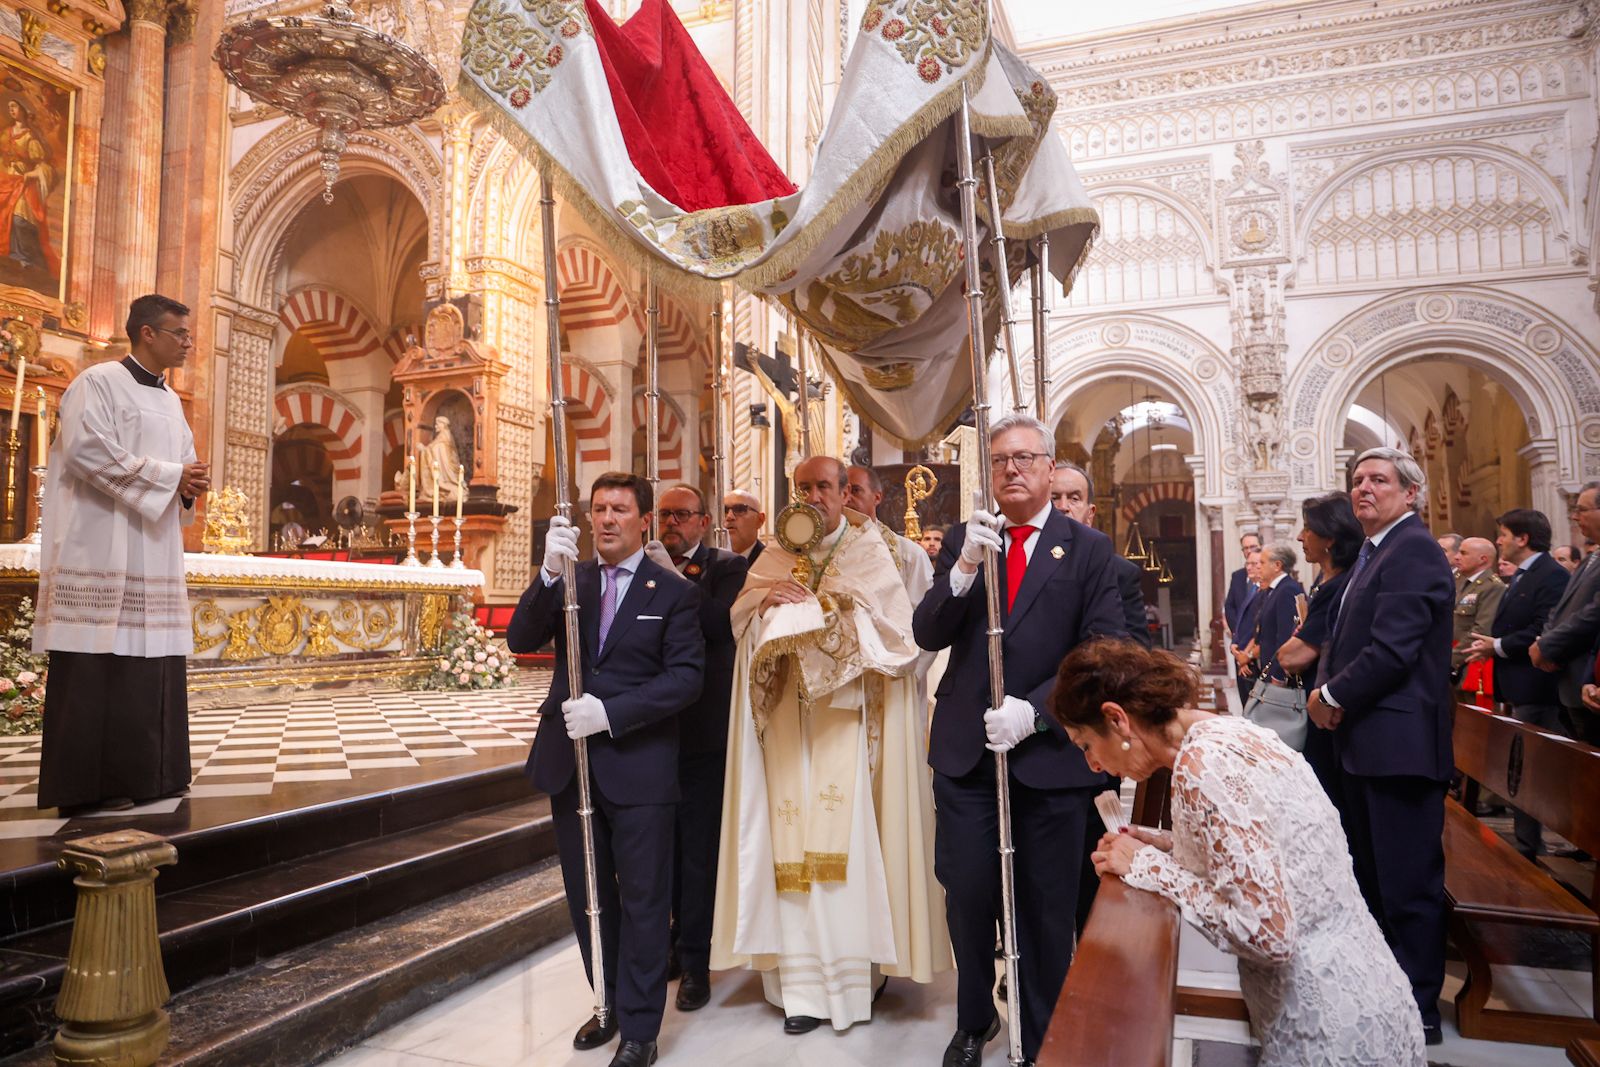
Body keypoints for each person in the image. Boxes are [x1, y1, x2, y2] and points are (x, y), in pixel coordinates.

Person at [1054, 641, 1426, 1067]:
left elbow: (1268, 934)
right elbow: (1261, 849)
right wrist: (1161, 842)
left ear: (1116, 718)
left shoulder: (1202, 767)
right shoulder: (1228, 732)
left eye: (1085, 744)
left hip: (1327, 1025)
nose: (1092, 765)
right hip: (1367, 985)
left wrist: (1146, 866)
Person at [912, 414, 1126, 1066]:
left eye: (1025, 457)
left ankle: (1040, 1032)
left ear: (1048, 466)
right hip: (966, 754)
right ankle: (975, 1019)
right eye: (1000, 459)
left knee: (1043, 905)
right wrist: (963, 569)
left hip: (1048, 757)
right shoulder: (965, 539)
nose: (1011, 468)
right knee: (968, 893)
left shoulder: (1086, 548)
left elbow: (1104, 650)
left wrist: (1035, 712)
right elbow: (928, 632)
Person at [711, 455, 948, 1033]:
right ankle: (795, 985)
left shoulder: (872, 551)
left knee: (849, 846)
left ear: (845, 493)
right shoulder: (774, 553)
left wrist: (831, 609)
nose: (813, 497)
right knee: (787, 846)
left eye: (823, 486)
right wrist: (764, 606)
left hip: (851, 725)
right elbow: (740, 621)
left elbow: (897, 636)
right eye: (803, 488)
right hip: (786, 728)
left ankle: (852, 979)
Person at [507, 472, 705, 1067]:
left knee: (643, 899)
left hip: (639, 765)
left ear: (644, 520)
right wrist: (547, 573)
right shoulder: (574, 581)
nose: (607, 519)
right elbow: (520, 637)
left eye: (620, 509)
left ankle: (641, 1030)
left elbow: (686, 679)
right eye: (599, 509)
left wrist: (611, 713)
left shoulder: (672, 593)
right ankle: (609, 1003)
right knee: (588, 895)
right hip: (571, 763)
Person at [34, 295, 205, 814]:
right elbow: (87, 451)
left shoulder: (171, 399)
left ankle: (153, 776)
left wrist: (190, 483)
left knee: (151, 662)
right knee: (98, 664)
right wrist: (172, 477)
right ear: (147, 333)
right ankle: (89, 788)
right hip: (101, 544)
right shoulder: (97, 383)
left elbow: (185, 461)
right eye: (179, 333)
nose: (188, 342)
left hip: (153, 547)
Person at [1306, 447, 1454, 1044]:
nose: (1364, 488)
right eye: (1358, 479)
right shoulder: (1376, 552)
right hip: (1368, 743)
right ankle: (1384, 990)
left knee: (1407, 882)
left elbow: (1393, 650)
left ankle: (1419, 1007)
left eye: (1379, 480)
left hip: (1399, 746)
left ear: (1410, 492)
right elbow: (1344, 638)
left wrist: (1331, 695)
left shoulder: (1412, 549)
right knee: (1372, 873)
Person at [652, 484, 748, 1011]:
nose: (672, 523)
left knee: (697, 853)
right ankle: (668, 943)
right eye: (665, 514)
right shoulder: (641, 566)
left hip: (704, 730)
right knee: (660, 850)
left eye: (682, 515)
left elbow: (720, 624)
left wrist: (670, 579)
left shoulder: (726, 566)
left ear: (704, 522)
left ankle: (696, 960)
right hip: (652, 729)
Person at [1462, 509, 1568, 859]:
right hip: (1517, 687)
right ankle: (1525, 844)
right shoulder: (1523, 576)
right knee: (1518, 771)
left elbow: (1543, 629)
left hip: (1537, 687)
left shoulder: (1550, 575)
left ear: (1523, 539)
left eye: (1504, 535)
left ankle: (1529, 847)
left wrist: (1497, 646)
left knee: (1529, 772)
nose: (1499, 541)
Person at [1275, 493, 1364, 793]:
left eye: (1308, 529)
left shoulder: (1339, 585)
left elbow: (1292, 657)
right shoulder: (1323, 581)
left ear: (1330, 537)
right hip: (1316, 708)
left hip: (1326, 712)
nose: (1300, 537)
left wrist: (1293, 645)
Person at [1051, 460, 1150, 648]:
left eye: (1074, 498)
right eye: (1053, 498)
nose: (1063, 506)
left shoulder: (1121, 572)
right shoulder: (1024, 561)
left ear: (1090, 514)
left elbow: (1138, 648)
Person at [1531, 482, 1600, 743]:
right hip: (1572, 680)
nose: (1574, 516)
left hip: (1589, 680)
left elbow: (1594, 613)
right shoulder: (1592, 558)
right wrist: (1546, 644)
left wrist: (1547, 646)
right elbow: (1561, 609)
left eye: (1581, 509)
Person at [845, 464, 934, 604]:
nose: (847, 498)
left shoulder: (910, 555)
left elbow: (922, 612)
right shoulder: (823, 549)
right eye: (843, 492)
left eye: (855, 490)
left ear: (877, 497)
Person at [1449, 537, 1503, 692]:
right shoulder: (1459, 581)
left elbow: (1481, 630)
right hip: (1451, 657)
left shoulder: (1492, 587)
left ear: (1482, 559)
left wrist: (1450, 659)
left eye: (1463, 553)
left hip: (1471, 661)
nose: (1457, 557)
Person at [1251, 544, 1304, 689]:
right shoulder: (1273, 590)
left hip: (1277, 675)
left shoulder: (1287, 589)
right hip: (1268, 667)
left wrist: (1279, 675)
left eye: (1262, 562)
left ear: (1277, 565)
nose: (1258, 567)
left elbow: (1285, 636)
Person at [1231, 549, 1263, 703]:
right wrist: (1234, 643)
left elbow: (1256, 627)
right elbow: (1240, 620)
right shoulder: (1253, 589)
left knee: (1252, 706)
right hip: (1242, 654)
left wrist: (1245, 655)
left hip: (1250, 658)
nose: (1249, 567)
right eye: (1247, 564)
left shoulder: (1263, 592)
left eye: (1254, 564)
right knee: (1245, 705)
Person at [1223, 531, 1262, 636]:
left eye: (1252, 547)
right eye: (1245, 548)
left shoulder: (1268, 575)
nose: (1249, 551)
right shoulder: (1237, 576)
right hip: (1239, 635)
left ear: (1261, 546)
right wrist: (1237, 631)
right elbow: (1229, 606)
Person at [722, 488, 766, 563]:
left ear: (760, 520)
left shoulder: (772, 563)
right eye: (724, 510)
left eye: (740, 509)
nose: (729, 516)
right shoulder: (710, 564)